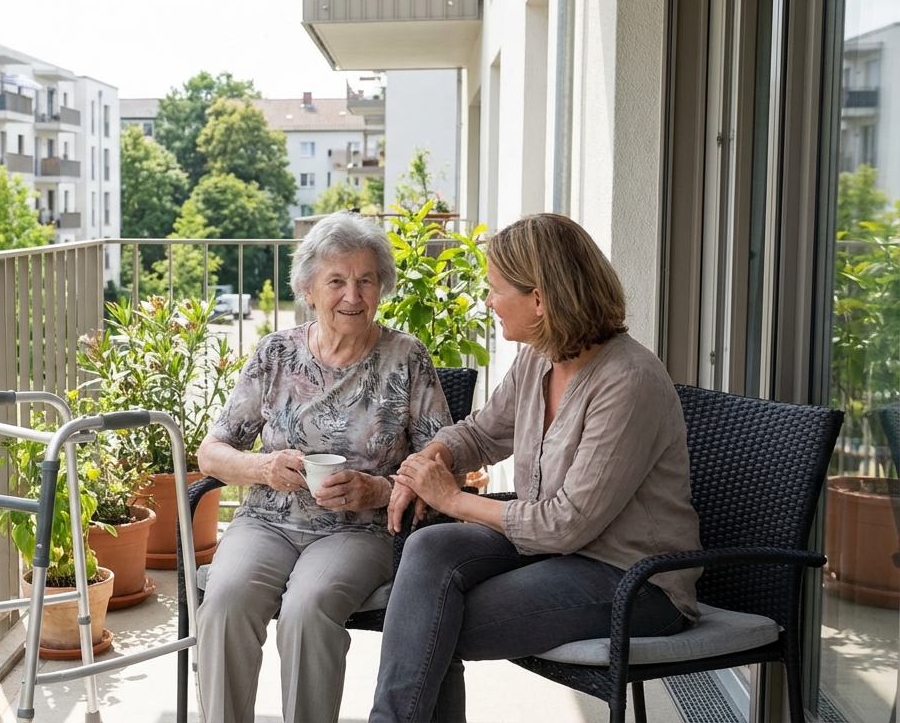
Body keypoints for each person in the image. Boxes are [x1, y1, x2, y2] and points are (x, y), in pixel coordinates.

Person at [370, 214, 702, 723]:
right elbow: (483, 433)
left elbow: (567, 524)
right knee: (431, 550)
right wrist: (432, 457)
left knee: (430, 623)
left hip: (634, 580)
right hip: (551, 550)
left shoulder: (628, 381)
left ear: (540, 300)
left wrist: (453, 498)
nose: (488, 301)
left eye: (496, 290)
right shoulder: (539, 359)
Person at [196, 211, 453, 723]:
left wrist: (377, 490)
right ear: (309, 289)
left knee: (307, 609)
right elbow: (211, 452)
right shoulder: (276, 354)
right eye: (336, 281)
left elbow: (443, 470)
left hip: (359, 531)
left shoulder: (406, 358)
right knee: (224, 600)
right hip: (267, 521)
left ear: (382, 287)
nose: (352, 296)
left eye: (366, 281)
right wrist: (264, 467)